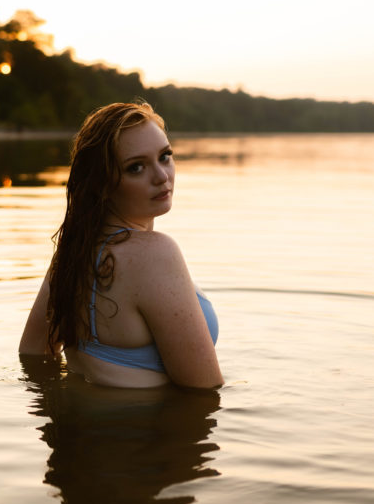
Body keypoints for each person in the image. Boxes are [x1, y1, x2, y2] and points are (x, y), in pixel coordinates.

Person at [19, 101, 223, 389]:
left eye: (165, 156)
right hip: (147, 431)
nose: (162, 176)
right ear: (102, 183)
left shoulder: (74, 252)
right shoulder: (155, 254)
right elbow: (204, 390)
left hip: (87, 430)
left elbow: (32, 355)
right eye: (136, 167)